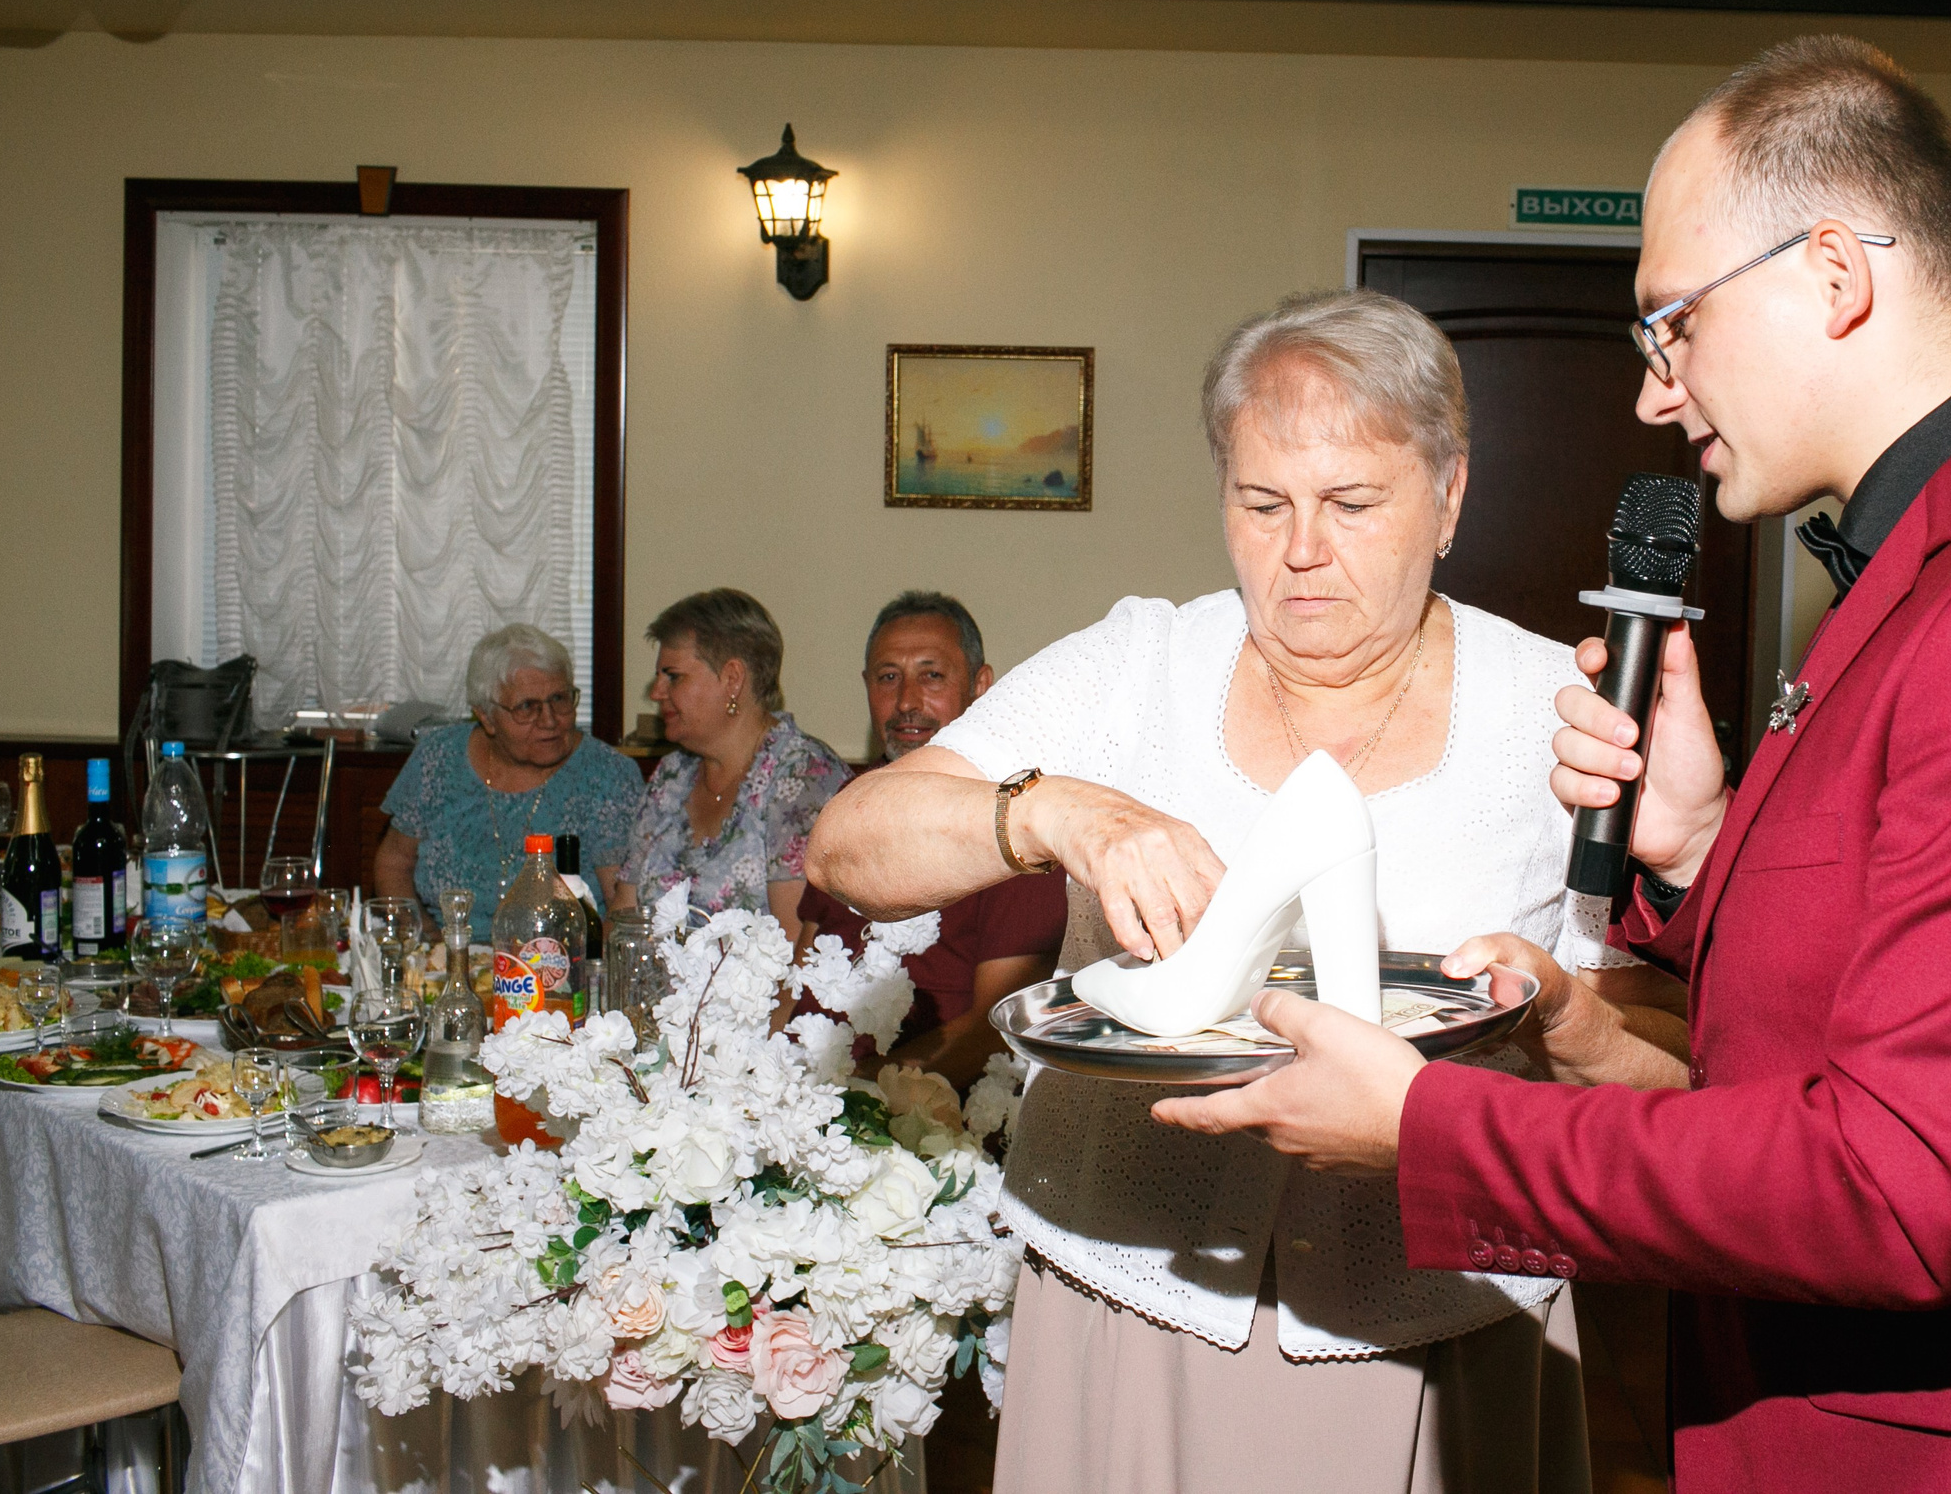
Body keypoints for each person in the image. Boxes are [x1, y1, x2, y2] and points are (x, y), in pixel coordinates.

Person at [1160, 36, 1951, 1493]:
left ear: (1834, 272)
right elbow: (1905, 975)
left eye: (1674, 324)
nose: (1656, 391)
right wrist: (1701, 849)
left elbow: (1895, 1186)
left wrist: (1428, 1122)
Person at [807, 291, 1676, 1494]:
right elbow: (848, 845)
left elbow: (1672, 1059)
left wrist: (1561, 1016)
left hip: (1439, 1314)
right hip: (1133, 1295)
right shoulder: (1138, 666)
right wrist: (1060, 809)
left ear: (1450, 495)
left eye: (1352, 505)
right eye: (1261, 504)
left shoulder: (1560, 716)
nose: (1300, 550)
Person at [796, 591, 1066, 1088]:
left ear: (981, 686)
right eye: (888, 677)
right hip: (806, 1091)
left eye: (932, 674)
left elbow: (998, 1028)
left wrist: (862, 1092)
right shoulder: (854, 806)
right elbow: (802, 969)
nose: (906, 702)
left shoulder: (1016, 820)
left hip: (924, 1113)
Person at [375, 624, 642, 938]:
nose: (550, 720)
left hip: (557, 971)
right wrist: (431, 944)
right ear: (486, 716)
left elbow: (620, 906)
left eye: (560, 698)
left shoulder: (608, 774)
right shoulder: (438, 756)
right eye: (527, 707)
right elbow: (394, 861)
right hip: (451, 960)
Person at [614, 588, 852, 926]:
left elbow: (796, 946)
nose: (656, 692)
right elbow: (624, 914)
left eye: (673, 676)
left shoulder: (803, 778)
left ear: (732, 679)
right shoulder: (672, 775)